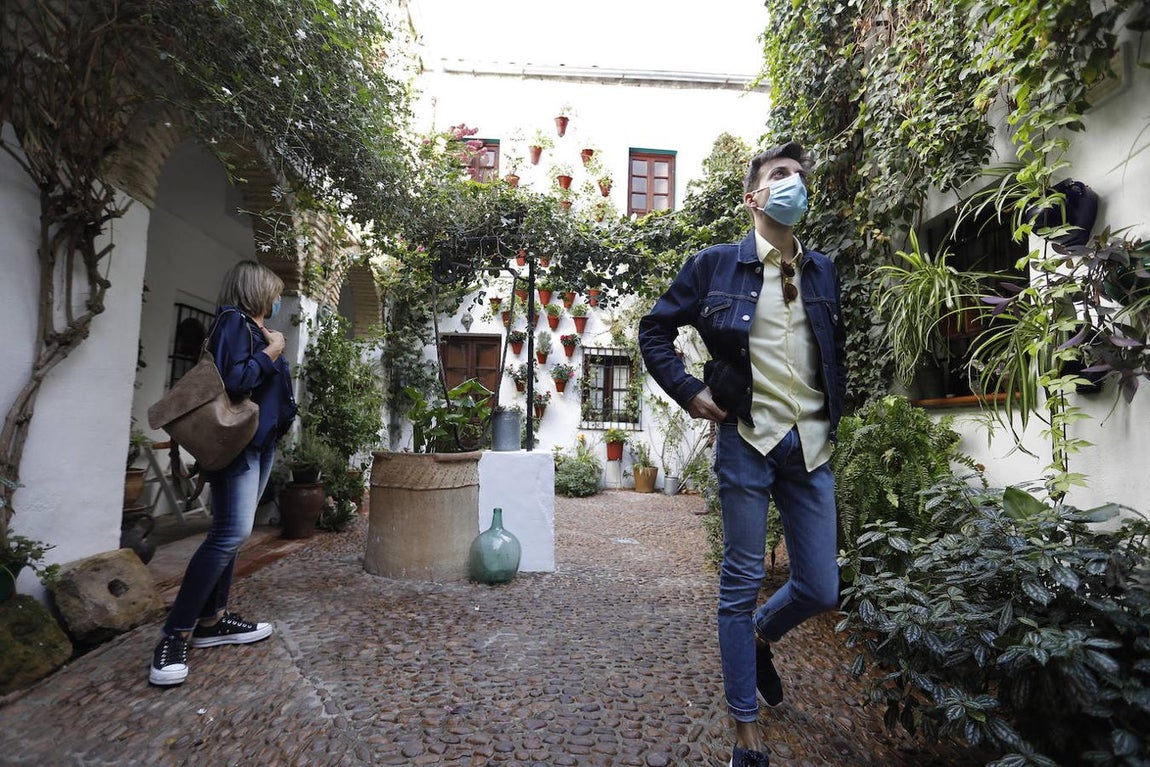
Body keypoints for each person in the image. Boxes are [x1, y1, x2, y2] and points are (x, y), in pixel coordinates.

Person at [638, 142, 846, 767]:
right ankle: (746, 734)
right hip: (747, 440)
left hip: (810, 445)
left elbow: (831, 353)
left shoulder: (823, 270)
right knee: (741, 581)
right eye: (781, 176)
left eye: (800, 177)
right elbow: (655, 330)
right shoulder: (713, 266)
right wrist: (691, 391)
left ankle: (760, 636)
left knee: (820, 587)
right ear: (753, 197)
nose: (795, 185)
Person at [149, 260, 298, 686]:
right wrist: (272, 353)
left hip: (259, 442)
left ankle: (212, 621)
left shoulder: (251, 328)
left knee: (235, 534)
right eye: (273, 291)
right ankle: (174, 634)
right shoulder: (233, 321)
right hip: (239, 444)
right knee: (228, 535)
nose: (276, 299)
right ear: (256, 289)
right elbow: (234, 380)